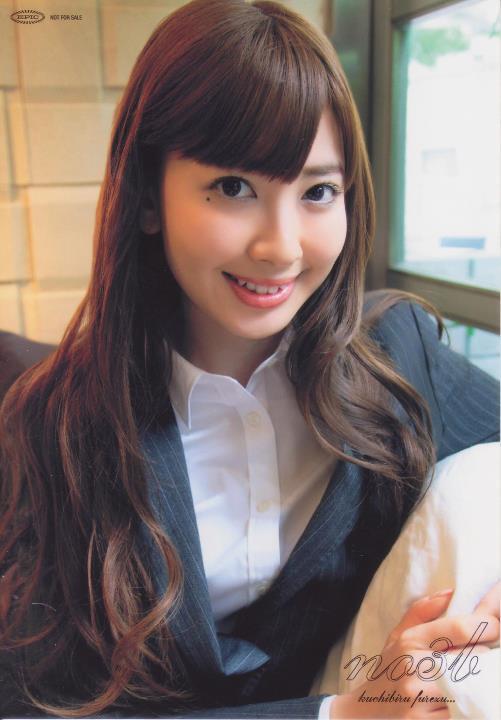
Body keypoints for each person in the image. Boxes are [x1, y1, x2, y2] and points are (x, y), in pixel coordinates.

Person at [0, 0, 498, 718]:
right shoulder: (50, 431)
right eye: (234, 188)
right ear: (148, 198)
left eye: (318, 191)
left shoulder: (393, 356)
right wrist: (344, 713)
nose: (282, 246)